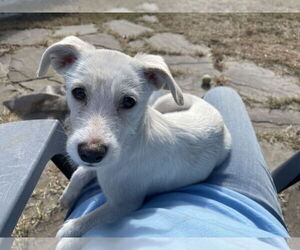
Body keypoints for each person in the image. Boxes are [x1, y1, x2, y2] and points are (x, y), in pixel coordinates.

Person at [65, 87, 289, 249]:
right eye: (80, 94)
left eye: (126, 103)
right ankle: (175, 98)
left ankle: (170, 98)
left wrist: (72, 229)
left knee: (207, 96)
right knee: (222, 93)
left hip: (224, 197)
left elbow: (124, 204)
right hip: (235, 208)